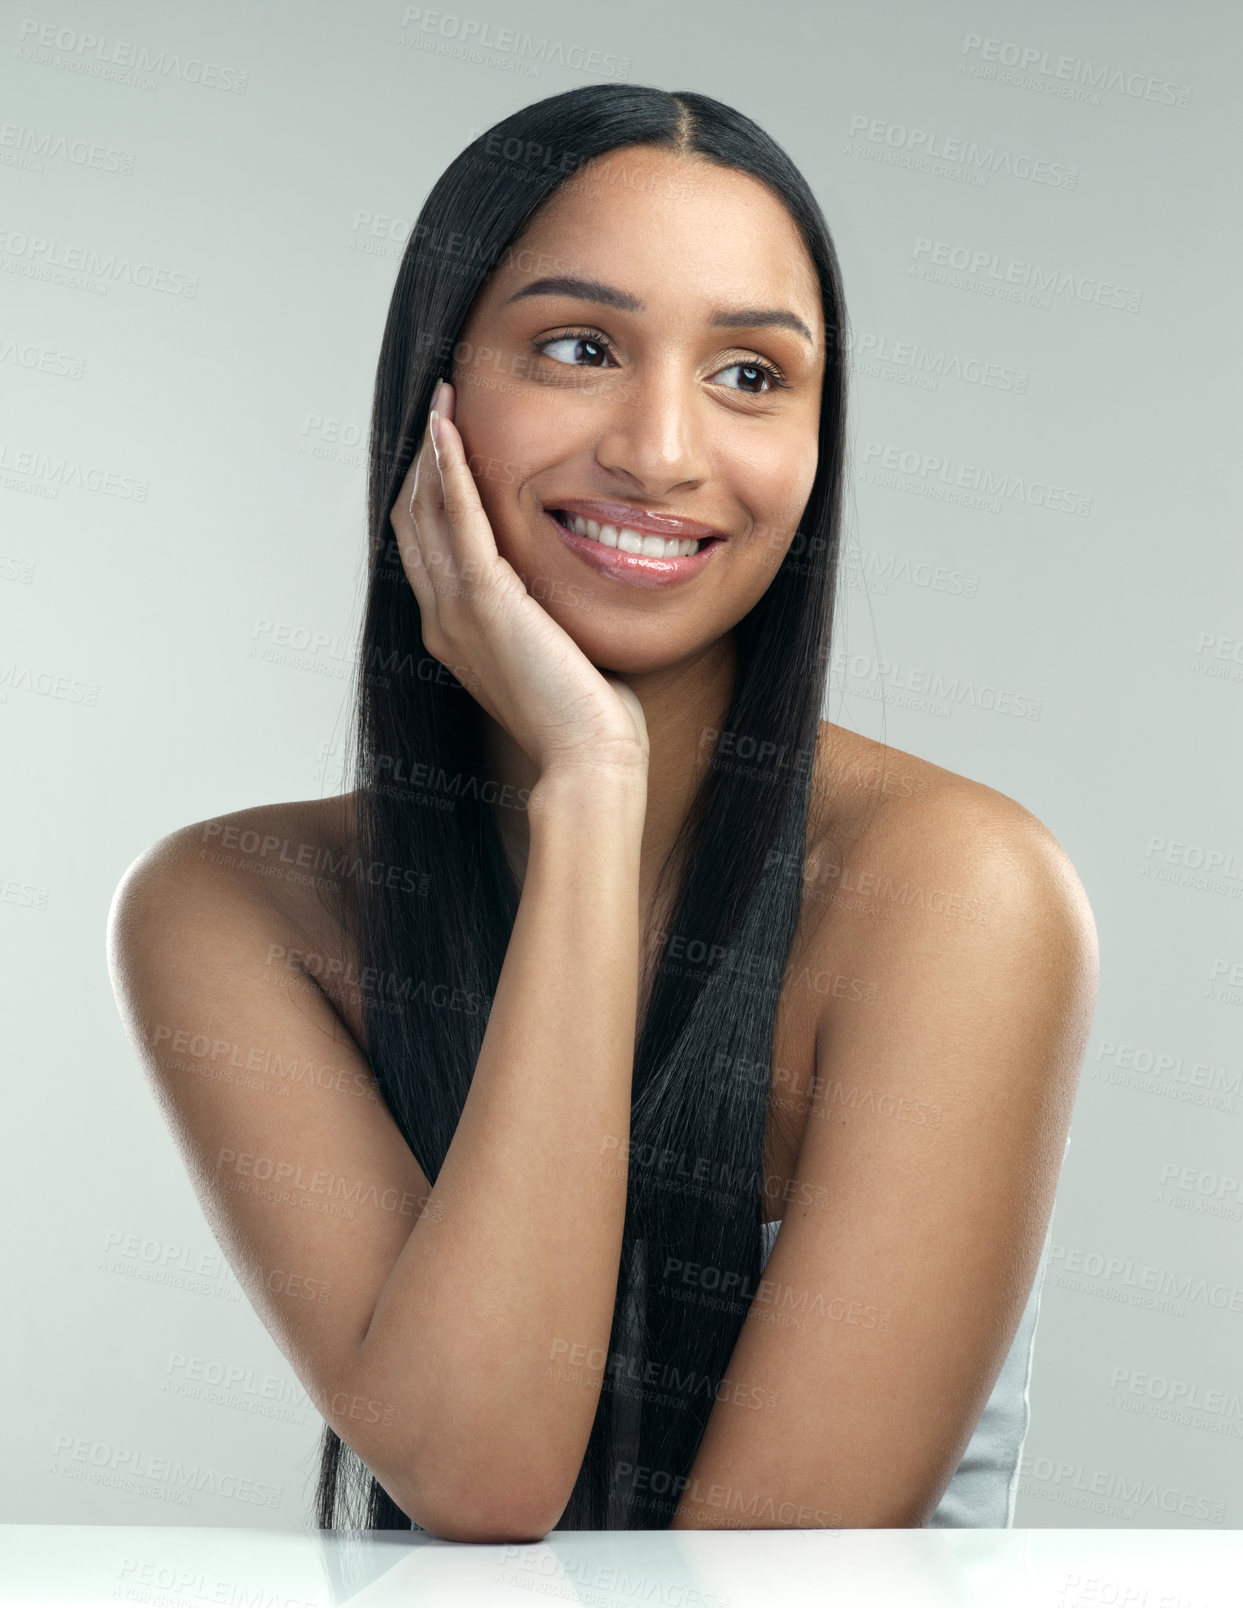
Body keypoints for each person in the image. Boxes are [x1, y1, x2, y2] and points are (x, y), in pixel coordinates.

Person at [106, 83, 1098, 1540]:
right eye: (578, 348)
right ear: (430, 395)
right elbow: (478, 1471)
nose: (662, 450)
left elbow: (768, 1582)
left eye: (751, 376)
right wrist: (592, 794)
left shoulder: (960, 891)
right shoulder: (232, 904)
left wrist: (584, 775)